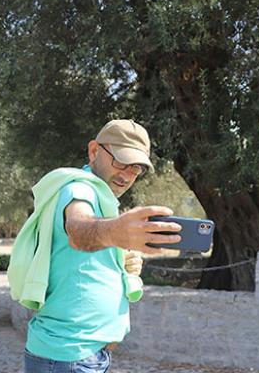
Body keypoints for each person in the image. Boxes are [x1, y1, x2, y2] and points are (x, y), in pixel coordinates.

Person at [10, 119, 181, 373]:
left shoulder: (102, 198)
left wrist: (121, 261)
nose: (126, 175)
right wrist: (116, 232)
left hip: (81, 357)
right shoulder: (79, 190)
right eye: (120, 161)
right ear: (94, 151)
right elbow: (79, 230)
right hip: (67, 358)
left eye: (135, 168)